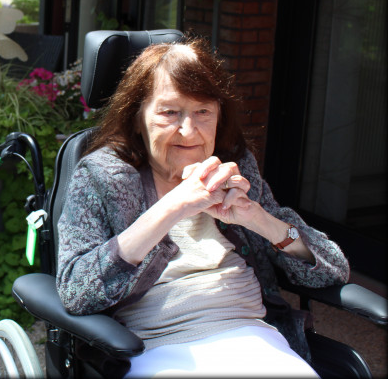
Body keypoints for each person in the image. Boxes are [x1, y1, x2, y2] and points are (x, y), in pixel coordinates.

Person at [56, 37, 349, 377]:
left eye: (203, 112)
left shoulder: (235, 165)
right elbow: (76, 290)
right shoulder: (102, 175)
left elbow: (333, 268)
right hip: (155, 346)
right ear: (137, 117)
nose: (188, 130)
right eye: (169, 112)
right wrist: (171, 208)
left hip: (254, 338)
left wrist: (256, 217)